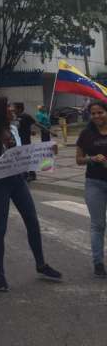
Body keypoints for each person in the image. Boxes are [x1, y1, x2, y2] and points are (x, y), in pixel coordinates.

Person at [0, 94, 61, 292]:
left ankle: (41, 264)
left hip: (18, 180)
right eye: (8, 106)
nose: (12, 109)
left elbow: (24, 156)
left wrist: (48, 155)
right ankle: (0, 275)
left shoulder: (13, 129)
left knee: (32, 220)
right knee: (0, 227)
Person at [76, 100, 107, 278]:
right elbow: (79, 159)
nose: (96, 116)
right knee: (98, 225)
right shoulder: (86, 134)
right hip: (94, 183)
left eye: (100, 112)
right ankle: (98, 263)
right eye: (93, 113)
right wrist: (92, 159)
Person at [14, 102, 37, 181]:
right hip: (18, 141)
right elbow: (21, 128)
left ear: (19, 109)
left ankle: (32, 174)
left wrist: (49, 131)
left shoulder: (25, 116)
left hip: (25, 140)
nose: (13, 109)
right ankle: (25, 174)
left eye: (15, 108)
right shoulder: (16, 117)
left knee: (27, 158)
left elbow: (35, 123)